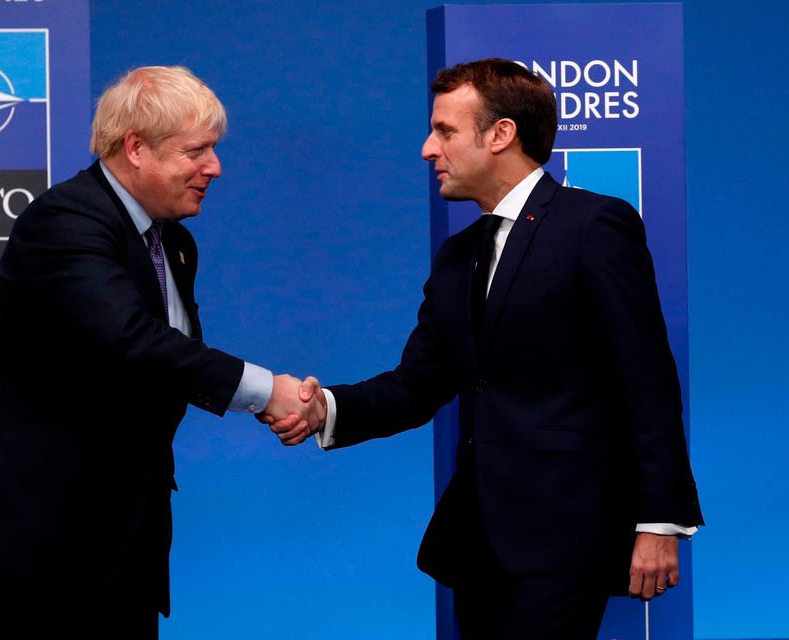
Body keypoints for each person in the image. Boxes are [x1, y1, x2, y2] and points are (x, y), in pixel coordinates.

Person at [264, 58, 703, 639]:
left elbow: (645, 379)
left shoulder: (595, 225)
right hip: (477, 542)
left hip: (566, 535)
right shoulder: (457, 255)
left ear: (501, 135)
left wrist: (659, 521)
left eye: (444, 131)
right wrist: (326, 410)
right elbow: (418, 383)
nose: (427, 148)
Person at [0, 66, 325, 639]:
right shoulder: (65, 220)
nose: (215, 167)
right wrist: (269, 391)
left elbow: (166, 363)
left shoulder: (174, 242)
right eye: (197, 151)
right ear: (135, 148)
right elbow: (131, 341)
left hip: (120, 551)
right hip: (25, 558)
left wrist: (266, 402)